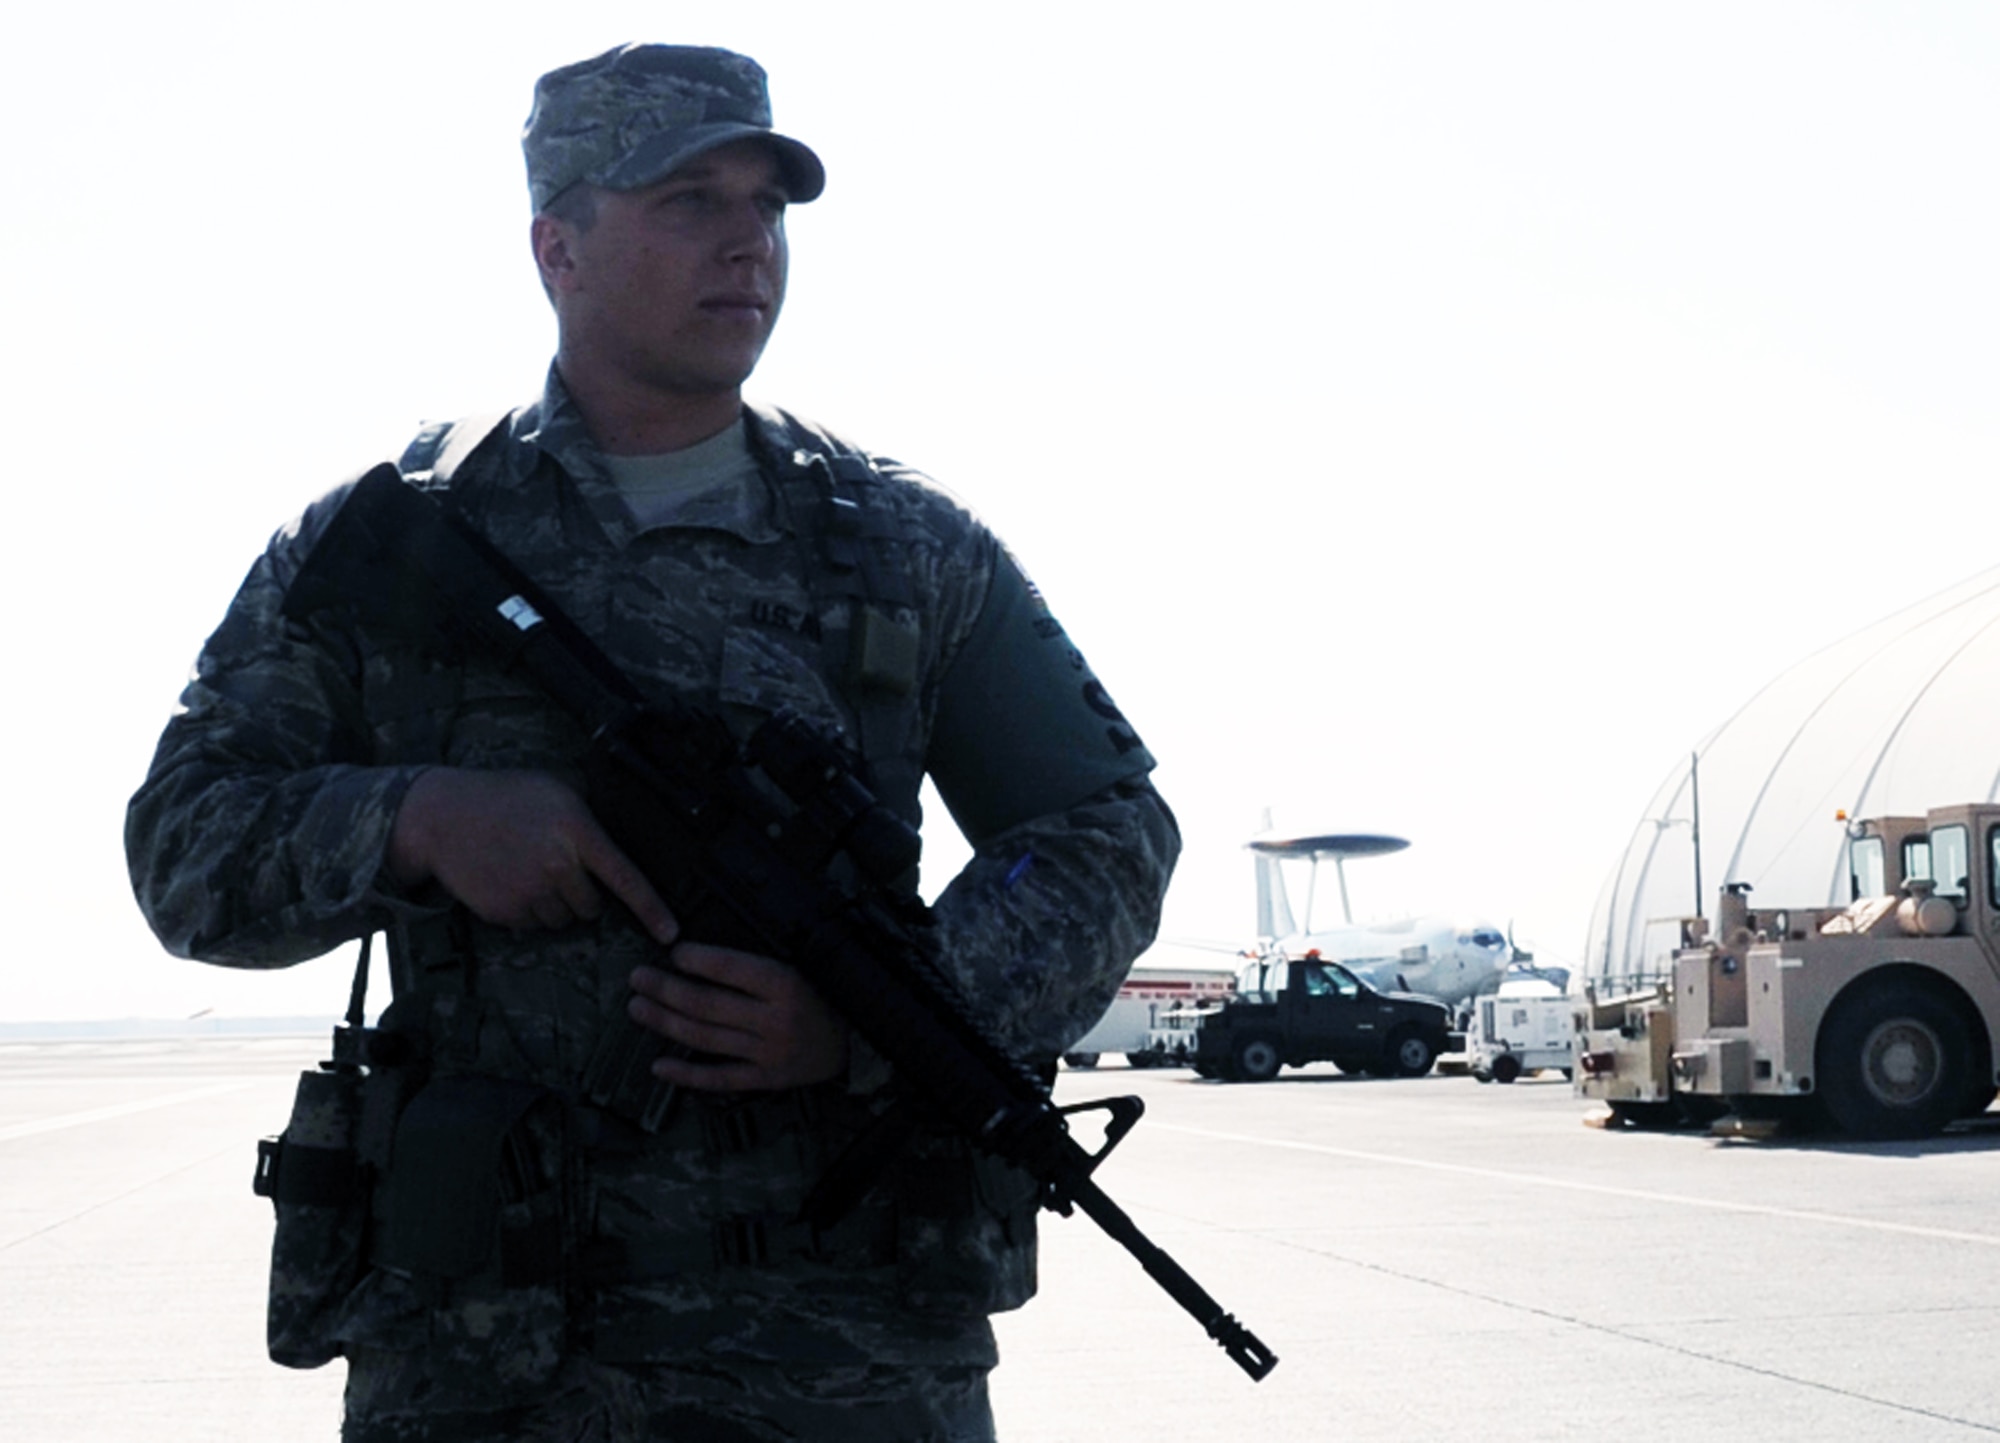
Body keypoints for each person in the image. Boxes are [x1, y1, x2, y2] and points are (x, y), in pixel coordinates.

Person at [125, 42, 1176, 1443]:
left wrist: (875, 1022)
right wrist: (419, 820)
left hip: (848, 1368)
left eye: (768, 203)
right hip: (486, 1368)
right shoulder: (394, 538)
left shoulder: (907, 548)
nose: (748, 241)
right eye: (688, 200)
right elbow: (185, 853)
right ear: (557, 244)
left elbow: (1104, 835)